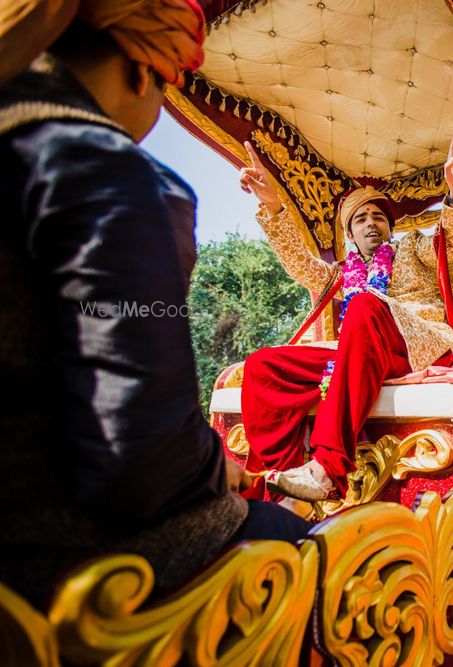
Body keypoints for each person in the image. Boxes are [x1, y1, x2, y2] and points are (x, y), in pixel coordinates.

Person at [0, 2, 310, 608]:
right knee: (347, 550)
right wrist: (215, 468)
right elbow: (141, 464)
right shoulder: (104, 169)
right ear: (144, 73)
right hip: (78, 565)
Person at [237, 135, 453, 502]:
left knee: (365, 304)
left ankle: (327, 467)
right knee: (262, 366)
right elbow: (301, 265)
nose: (371, 224)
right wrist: (272, 205)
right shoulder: (340, 273)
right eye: (361, 219)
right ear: (350, 235)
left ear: (390, 228)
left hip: (416, 345)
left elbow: (452, 246)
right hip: (360, 354)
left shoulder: (412, 248)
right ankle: (282, 487)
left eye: (379, 217)